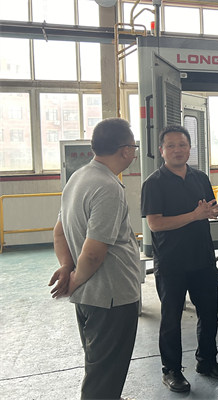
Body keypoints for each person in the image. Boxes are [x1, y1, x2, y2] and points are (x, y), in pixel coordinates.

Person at [48, 117, 141, 399]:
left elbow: (59, 231)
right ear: (126, 151)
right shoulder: (108, 187)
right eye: (134, 147)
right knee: (104, 377)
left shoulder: (78, 177)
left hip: (90, 296)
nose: (134, 152)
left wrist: (67, 267)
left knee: (98, 365)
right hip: (111, 297)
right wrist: (74, 279)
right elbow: (93, 252)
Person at [141, 125, 218, 393]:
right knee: (171, 319)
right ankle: (171, 370)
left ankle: (207, 361)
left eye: (182, 145)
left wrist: (211, 212)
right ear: (161, 151)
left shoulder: (200, 178)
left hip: (203, 259)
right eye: (171, 146)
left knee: (209, 314)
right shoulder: (153, 183)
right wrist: (194, 215)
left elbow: (211, 209)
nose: (177, 150)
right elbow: (155, 224)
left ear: (190, 148)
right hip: (172, 263)